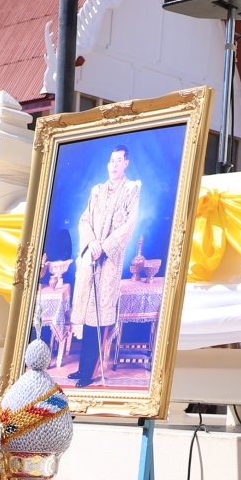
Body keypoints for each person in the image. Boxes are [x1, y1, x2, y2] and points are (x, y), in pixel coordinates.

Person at [68, 144, 141, 387]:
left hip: (109, 259)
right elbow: (84, 219)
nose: (114, 165)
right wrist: (92, 243)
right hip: (92, 256)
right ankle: (82, 369)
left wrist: (105, 246)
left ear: (126, 163)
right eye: (111, 161)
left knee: (99, 317)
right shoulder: (97, 190)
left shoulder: (132, 189)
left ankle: (89, 371)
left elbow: (128, 225)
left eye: (119, 160)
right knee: (88, 315)